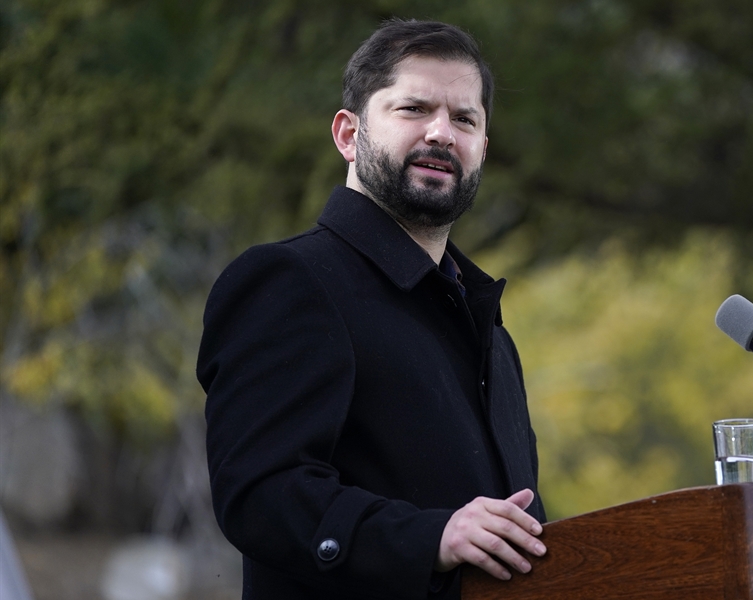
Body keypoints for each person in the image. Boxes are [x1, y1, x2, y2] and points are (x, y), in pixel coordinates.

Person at [197, 19, 546, 600]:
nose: (442, 133)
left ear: (483, 148)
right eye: (413, 109)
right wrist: (431, 537)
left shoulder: (485, 325)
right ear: (347, 135)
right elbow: (259, 495)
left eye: (465, 119)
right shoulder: (291, 282)